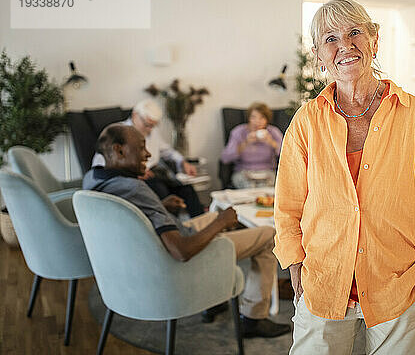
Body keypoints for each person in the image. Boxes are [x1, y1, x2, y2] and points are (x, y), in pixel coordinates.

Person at [273, 0, 415, 354]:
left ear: (374, 41)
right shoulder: (306, 122)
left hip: (399, 285)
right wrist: (296, 268)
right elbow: (287, 206)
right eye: (331, 38)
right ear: (318, 54)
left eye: (354, 33)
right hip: (323, 284)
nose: (345, 46)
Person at [84, 124, 291, 338]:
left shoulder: (94, 179)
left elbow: (127, 215)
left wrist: (160, 207)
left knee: (215, 217)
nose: (148, 154)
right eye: (142, 147)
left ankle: (215, 297)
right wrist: (220, 223)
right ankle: (253, 319)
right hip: (174, 258)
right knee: (267, 234)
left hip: (153, 244)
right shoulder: (134, 188)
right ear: (119, 150)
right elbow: (181, 251)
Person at [92, 99, 203, 217]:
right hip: (137, 178)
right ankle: (169, 227)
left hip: (155, 173)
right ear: (135, 115)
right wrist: (132, 173)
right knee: (161, 192)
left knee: (186, 189)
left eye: (153, 126)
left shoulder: (152, 131)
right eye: (147, 124)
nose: (150, 129)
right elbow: (100, 165)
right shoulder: (117, 132)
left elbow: (166, 150)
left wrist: (182, 162)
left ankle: (200, 222)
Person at [220, 102, 283, 188]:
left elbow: (287, 155)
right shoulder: (239, 132)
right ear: (249, 118)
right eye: (253, 117)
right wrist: (245, 143)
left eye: (262, 118)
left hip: (267, 172)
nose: (257, 122)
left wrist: (271, 142)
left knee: (267, 192)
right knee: (250, 189)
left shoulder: (273, 132)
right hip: (244, 172)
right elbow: (225, 158)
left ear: (267, 120)